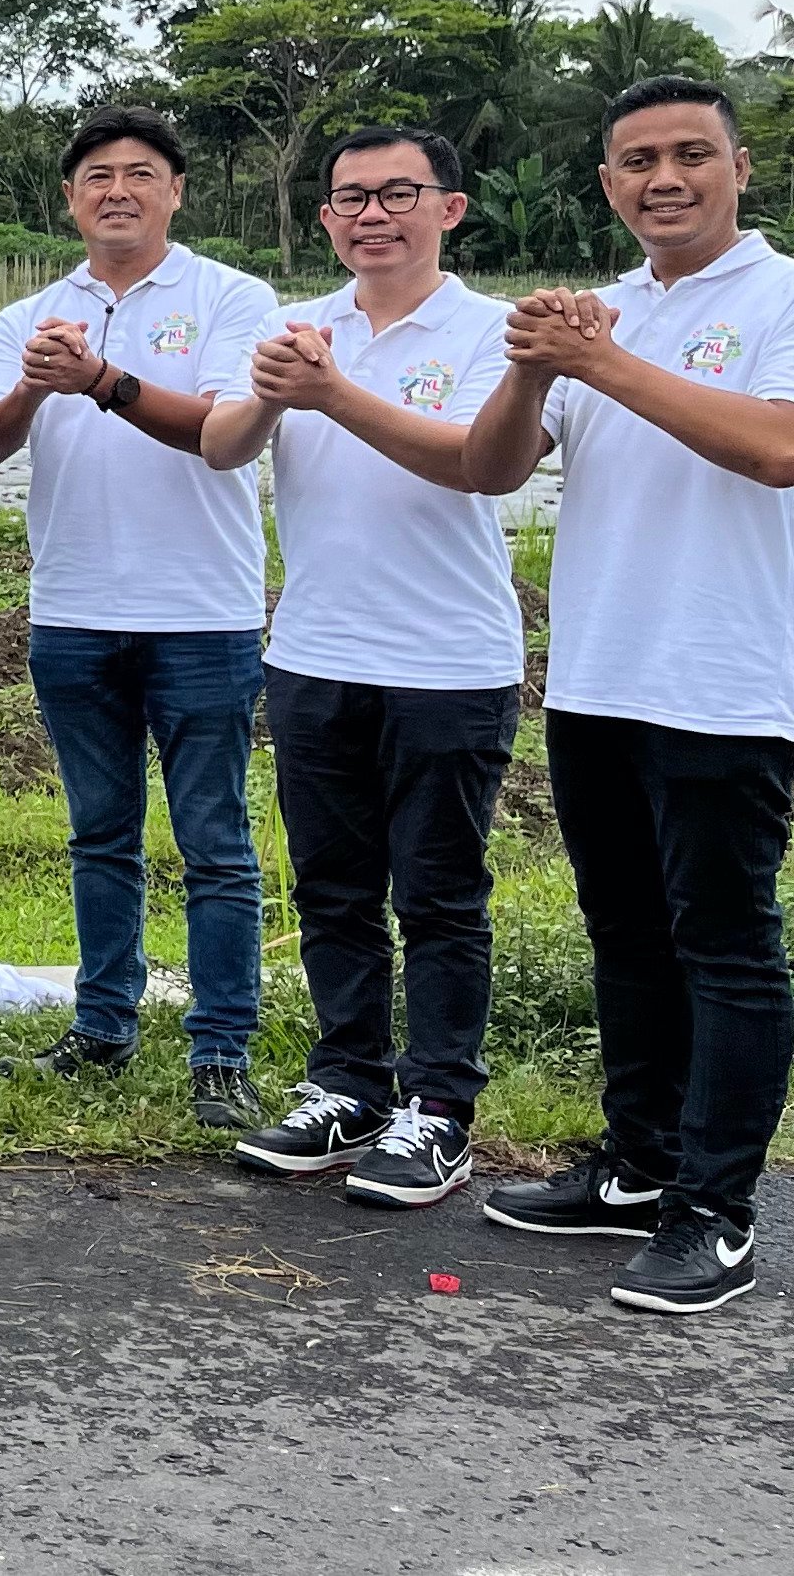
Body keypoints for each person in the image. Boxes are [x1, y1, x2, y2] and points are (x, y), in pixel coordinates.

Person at [458, 77, 794, 1315]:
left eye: (691, 155)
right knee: (631, 941)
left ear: (739, 168)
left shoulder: (780, 296)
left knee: (727, 946)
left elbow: (777, 447)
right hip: (599, 675)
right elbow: (489, 472)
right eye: (639, 160)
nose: (665, 178)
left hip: (728, 680)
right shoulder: (598, 315)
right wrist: (538, 373)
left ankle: (717, 1209)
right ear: (607, 183)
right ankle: (640, 1170)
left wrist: (601, 357)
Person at [198, 128, 521, 1206]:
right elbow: (225, 447)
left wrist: (332, 394)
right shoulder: (303, 329)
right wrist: (279, 391)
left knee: (438, 895)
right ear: (326, 218)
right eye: (350, 199)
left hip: (448, 661)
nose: (372, 214)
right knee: (333, 890)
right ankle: (347, 1083)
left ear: (450, 208)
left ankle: (438, 1107)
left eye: (397, 193)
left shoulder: (490, 333)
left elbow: (476, 462)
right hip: (315, 653)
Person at [0, 108, 280, 1127]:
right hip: (72, 612)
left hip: (201, 614)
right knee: (100, 835)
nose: (117, 191)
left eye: (140, 174)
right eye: (96, 176)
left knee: (215, 841)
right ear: (69, 199)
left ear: (176, 192)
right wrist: (34, 383)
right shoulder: (30, 316)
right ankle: (102, 1025)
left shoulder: (234, 298)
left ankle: (222, 1047)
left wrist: (100, 380)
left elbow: (223, 433)